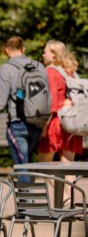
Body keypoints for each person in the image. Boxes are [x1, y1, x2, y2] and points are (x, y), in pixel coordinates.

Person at [0, 36, 47, 170]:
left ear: (6, 50)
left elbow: (0, 103)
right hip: (38, 122)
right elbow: (46, 96)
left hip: (18, 123)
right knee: (28, 166)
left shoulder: (6, 68)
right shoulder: (39, 66)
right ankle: (28, 190)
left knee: (22, 167)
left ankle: (23, 190)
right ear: (24, 49)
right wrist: (45, 124)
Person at [38, 40, 82, 206]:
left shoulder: (50, 71)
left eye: (45, 52)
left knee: (43, 164)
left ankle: (61, 197)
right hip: (73, 124)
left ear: (54, 54)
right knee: (68, 164)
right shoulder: (71, 72)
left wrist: (43, 127)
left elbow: (51, 104)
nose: (43, 55)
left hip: (55, 123)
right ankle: (70, 197)